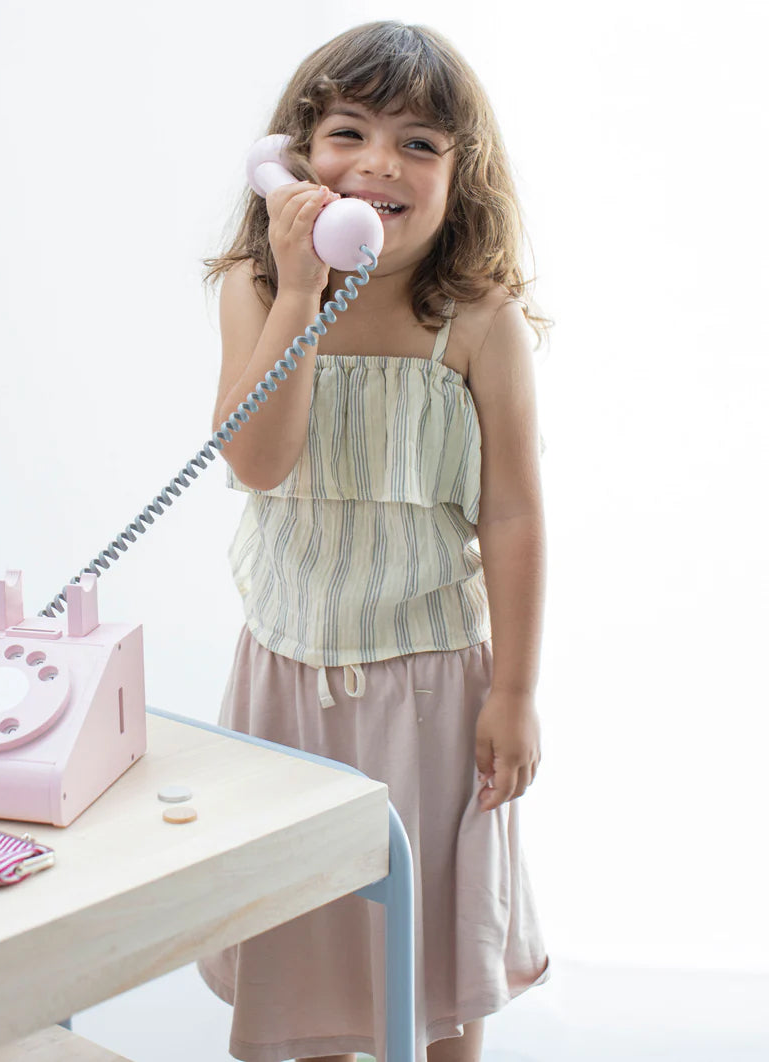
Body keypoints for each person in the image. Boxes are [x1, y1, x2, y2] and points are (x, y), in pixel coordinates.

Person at [195, 21, 552, 1062]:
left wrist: (516, 692)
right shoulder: (259, 291)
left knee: (433, 972)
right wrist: (300, 290)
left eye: (420, 144)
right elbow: (255, 464)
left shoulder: (479, 319)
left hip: (433, 688)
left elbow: (517, 512)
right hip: (283, 685)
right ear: (296, 154)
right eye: (350, 132)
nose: (380, 164)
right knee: (300, 955)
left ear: (460, 173)